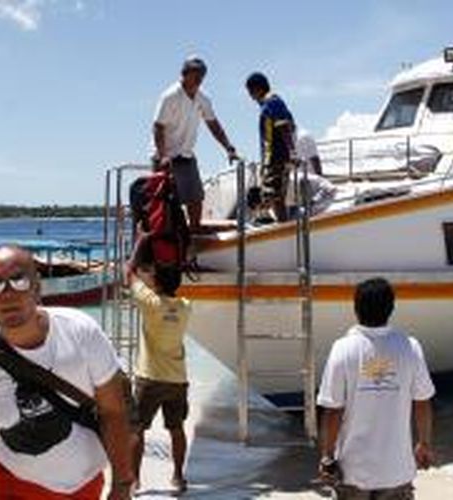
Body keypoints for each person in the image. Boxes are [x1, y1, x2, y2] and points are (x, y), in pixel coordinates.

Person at [0, 246, 134, 500]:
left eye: (18, 281)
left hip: (86, 486)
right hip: (13, 485)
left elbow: (113, 411)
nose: (7, 294)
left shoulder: (81, 332)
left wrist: (122, 484)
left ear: (37, 286)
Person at [316, 278, 435, 500]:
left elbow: (333, 411)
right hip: (397, 470)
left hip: (353, 471)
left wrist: (327, 455)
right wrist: (424, 443)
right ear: (391, 308)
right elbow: (422, 401)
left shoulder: (342, 349)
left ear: (356, 308)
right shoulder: (410, 347)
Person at [151, 56, 238, 233]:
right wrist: (163, 155)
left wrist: (228, 147)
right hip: (165, 156)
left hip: (186, 154)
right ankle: (162, 241)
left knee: (196, 197)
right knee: (165, 201)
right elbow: (158, 127)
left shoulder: (202, 98)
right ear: (184, 74)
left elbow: (213, 124)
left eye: (202, 75)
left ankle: (194, 233)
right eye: (196, 74)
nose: (200, 78)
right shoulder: (170, 96)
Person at [128, 262, 191, 493]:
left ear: (157, 282)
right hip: (177, 378)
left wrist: (140, 242)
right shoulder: (185, 306)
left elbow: (130, 274)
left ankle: (135, 480)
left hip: (150, 378)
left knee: (136, 429)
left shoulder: (151, 303)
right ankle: (178, 476)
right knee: (176, 428)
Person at [245, 72, 297, 222]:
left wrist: (292, 152)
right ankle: (282, 224)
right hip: (272, 158)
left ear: (257, 89)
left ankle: (282, 227)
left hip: (277, 157)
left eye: (251, 92)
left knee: (274, 196)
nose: (251, 97)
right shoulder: (270, 103)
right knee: (274, 196)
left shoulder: (271, 101)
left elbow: (284, 127)